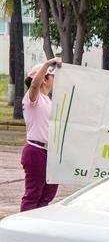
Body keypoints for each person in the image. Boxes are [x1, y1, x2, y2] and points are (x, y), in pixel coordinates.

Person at [21, 56, 61, 211]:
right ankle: (24, 228)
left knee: (48, 194)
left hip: (50, 153)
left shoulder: (49, 101)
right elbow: (34, 85)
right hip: (35, 151)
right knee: (33, 194)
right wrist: (47, 64)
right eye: (52, 76)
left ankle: (36, 225)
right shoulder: (32, 99)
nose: (54, 79)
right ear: (44, 79)